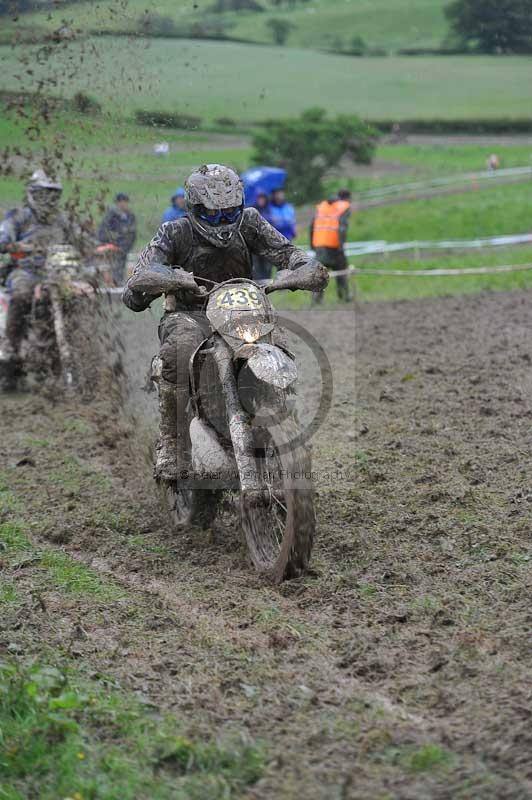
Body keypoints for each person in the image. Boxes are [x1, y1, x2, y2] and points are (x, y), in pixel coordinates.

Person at [122, 163, 327, 481]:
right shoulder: (175, 231)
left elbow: (288, 252)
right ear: (194, 208)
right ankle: (172, 442)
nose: (222, 221)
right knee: (180, 348)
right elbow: (140, 277)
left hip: (243, 312)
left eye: (229, 212)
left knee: (278, 345)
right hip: (190, 313)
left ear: (240, 206)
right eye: (213, 214)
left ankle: (280, 419)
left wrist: (301, 270)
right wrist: (172, 278)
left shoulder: (250, 223)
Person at [0, 169, 79, 386]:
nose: (48, 200)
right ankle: (10, 351)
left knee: (80, 299)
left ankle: (80, 351)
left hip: (58, 274)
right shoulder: (19, 216)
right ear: (33, 193)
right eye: (44, 194)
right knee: (22, 293)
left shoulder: (62, 220)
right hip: (26, 271)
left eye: (53, 195)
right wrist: (11, 244)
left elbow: (81, 238)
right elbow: (3, 235)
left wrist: (97, 248)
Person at [310, 189, 352, 303]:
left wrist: (312, 245)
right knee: (341, 272)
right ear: (347, 198)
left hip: (319, 245)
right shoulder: (343, 207)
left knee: (320, 275)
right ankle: (344, 297)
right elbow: (342, 228)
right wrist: (341, 246)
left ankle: (316, 300)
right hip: (334, 245)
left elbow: (312, 226)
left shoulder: (322, 207)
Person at [98, 192, 137, 285]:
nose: (123, 204)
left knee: (122, 266)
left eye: (125, 202)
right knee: (112, 267)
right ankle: (113, 283)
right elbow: (104, 231)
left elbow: (133, 233)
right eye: (120, 202)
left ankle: (118, 283)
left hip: (125, 247)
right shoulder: (111, 215)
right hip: (112, 247)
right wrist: (111, 243)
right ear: (117, 203)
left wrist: (127, 246)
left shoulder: (130, 216)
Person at [252, 190, 273, 281]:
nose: (261, 200)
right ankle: (258, 282)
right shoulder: (252, 210)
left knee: (268, 265)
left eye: (263, 198)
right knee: (256, 265)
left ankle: (267, 282)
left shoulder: (269, 210)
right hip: (255, 243)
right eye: (259, 199)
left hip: (267, 242)